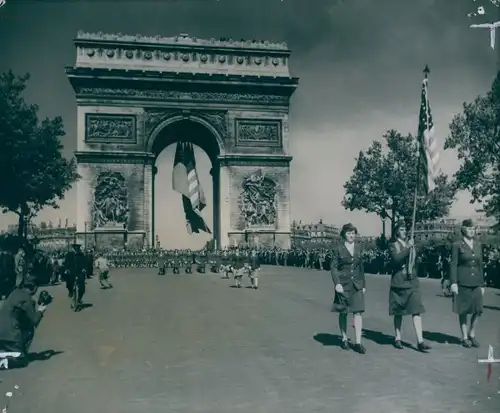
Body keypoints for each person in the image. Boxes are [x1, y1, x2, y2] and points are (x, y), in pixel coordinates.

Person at [388, 221, 431, 352]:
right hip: (399, 282)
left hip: (412, 281)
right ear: (396, 232)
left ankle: (420, 340)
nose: (404, 231)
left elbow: (415, 261)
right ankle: (398, 338)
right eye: (401, 229)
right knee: (398, 311)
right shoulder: (392, 245)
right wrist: (408, 249)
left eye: (405, 229)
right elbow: (397, 258)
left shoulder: (410, 244)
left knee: (416, 310)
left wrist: (416, 256)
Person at [330, 223, 367, 354]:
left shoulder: (359, 247)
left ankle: (358, 342)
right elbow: (334, 267)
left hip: (356, 284)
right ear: (343, 235)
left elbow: (361, 268)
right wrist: (337, 283)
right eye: (349, 233)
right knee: (343, 312)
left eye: (353, 233)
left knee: (358, 312)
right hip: (343, 285)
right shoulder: (338, 248)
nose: (352, 235)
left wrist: (363, 285)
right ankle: (344, 339)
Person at [449, 219, 485, 348]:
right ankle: (464, 337)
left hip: (476, 282)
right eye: (469, 228)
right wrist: (453, 282)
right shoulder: (457, 245)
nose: (471, 231)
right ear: (463, 230)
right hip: (462, 281)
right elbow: (453, 264)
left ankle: (472, 333)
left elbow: (481, 265)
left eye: (473, 228)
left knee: (479, 310)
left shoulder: (478, 244)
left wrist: (482, 284)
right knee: (463, 311)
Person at [0, 274, 47, 360]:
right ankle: (14, 355)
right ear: (34, 287)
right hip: (11, 336)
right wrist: (40, 311)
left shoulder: (14, 292)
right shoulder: (26, 298)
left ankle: (5, 351)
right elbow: (34, 320)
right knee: (21, 361)